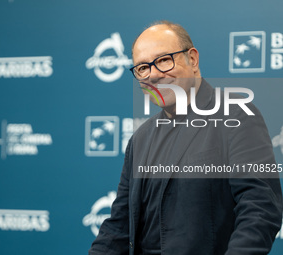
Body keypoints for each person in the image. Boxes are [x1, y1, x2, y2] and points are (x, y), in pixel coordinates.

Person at [89, 21, 283, 255]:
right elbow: (119, 226)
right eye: (142, 67)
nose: (153, 75)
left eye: (163, 60)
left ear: (192, 59)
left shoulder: (237, 116)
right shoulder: (140, 138)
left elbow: (260, 210)